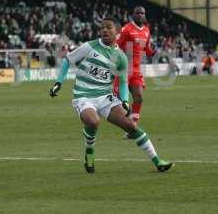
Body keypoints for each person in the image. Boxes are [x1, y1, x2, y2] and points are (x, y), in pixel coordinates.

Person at [49, 17, 172, 173]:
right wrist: (58, 83)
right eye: (102, 28)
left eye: (109, 27)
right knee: (93, 121)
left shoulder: (120, 57)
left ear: (118, 32)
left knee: (132, 126)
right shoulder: (90, 47)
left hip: (105, 97)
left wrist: (125, 101)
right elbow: (68, 60)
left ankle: (157, 161)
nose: (104, 30)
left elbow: (122, 82)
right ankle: (89, 151)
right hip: (84, 96)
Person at [115, 6, 156, 138]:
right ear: (133, 14)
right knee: (121, 101)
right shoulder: (126, 29)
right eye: (137, 13)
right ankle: (128, 125)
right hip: (124, 69)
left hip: (137, 70)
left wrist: (154, 53)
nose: (140, 15)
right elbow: (116, 45)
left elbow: (147, 48)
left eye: (142, 13)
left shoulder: (146, 30)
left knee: (139, 97)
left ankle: (132, 128)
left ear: (145, 15)